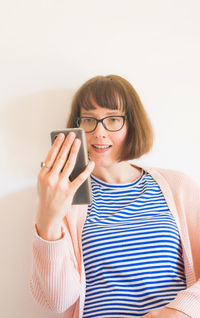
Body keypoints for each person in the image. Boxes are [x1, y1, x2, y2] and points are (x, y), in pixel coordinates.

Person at [30, 75, 200, 318]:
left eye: (113, 119)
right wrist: (48, 221)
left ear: (133, 124)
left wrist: (179, 312)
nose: (99, 132)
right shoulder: (61, 196)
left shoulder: (178, 187)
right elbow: (56, 301)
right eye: (89, 120)